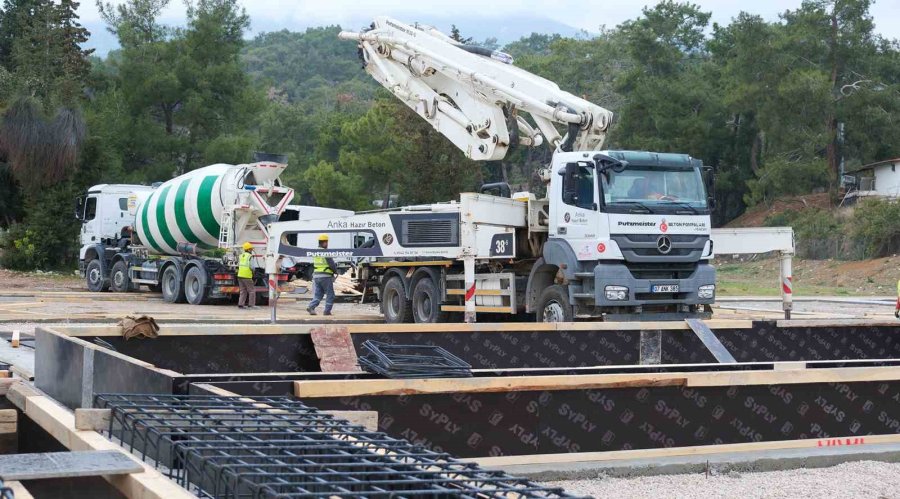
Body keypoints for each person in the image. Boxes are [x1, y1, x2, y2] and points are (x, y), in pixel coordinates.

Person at [307, 234, 336, 316]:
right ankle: (327, 311)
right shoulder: (325, 252)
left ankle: (311, 306)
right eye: (327, 242)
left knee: (318, 294)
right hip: (325, 276)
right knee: (330, 294)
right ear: (325, 243)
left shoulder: (315, 252)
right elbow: (331, 264)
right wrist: (335, 271)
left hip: (316, 276)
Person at [237, 242, 256, 309]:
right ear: (248, 249)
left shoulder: (241, 255)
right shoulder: (250, 256)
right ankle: (251, 305)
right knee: (251, 291)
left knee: (243, 291)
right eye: (251, 249)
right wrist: (254, 272)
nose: (252, 250)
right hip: (247, 276)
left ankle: (241, 304)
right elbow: (252, 267)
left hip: (240, 275)